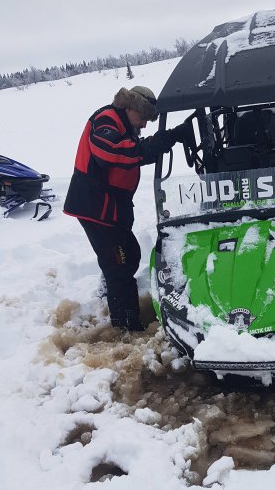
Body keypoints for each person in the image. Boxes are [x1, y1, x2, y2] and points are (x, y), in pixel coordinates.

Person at [64, 85, 188, 330]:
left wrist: (170, 137)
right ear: (130, 108)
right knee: (119, 265)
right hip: (95, 207)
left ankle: (108, 293)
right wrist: (156, 145)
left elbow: (135, 150)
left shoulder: (123, 127)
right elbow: (110, 153)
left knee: (128, 253)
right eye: (143, 118)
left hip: (111, 207)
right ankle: (126, 326)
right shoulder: (106, 120)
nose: (144, 124)